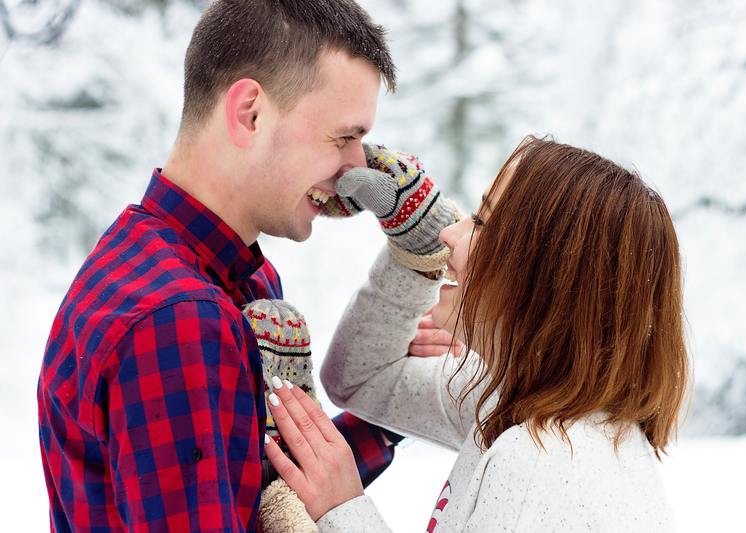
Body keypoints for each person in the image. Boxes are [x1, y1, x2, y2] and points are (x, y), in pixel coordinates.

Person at [37, 1, 447, 530]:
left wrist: (387, 406)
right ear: (250, 113)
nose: (355, 168)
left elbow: (255, 495)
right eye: (344, 137)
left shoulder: (233, 277)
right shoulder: (179, 320)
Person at [263, 136, 690, 532]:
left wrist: (343, 510)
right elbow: (361, 379)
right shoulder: (517, 401)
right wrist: (414, 248)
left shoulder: (540, 463)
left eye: (482, 222)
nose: (449, 233)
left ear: (543, 277)